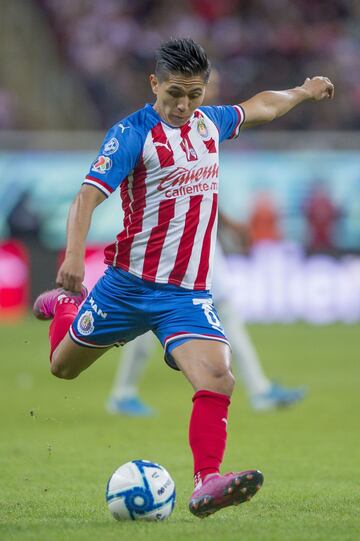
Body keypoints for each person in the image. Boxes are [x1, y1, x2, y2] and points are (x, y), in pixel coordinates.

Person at [33, 37, 334, 518]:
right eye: (175, 92)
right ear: (154, 83)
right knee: (61, 367)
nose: (184, 104)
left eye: (194, 94)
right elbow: (87, 197)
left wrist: (301, 91)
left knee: (219, 376)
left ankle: (207, 480)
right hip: (127, 286)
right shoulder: (132, 134)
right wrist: (72, 257)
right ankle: (67, 307)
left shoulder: (210, 124)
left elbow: (260, 108)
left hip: (185, 295)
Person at [107, 211, 306, 416]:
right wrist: (230, 224)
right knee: (209, 311)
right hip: (177, 241)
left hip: (194, 239)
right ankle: (122, 393)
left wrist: (229, 224)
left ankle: (123, 393)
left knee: (215, 312)